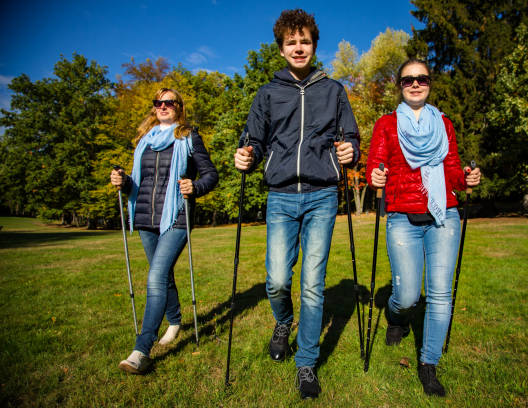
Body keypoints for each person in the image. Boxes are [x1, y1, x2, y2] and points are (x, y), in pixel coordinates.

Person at [234, 9, 360, 400]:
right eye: (292, 42)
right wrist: (247, 153)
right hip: (282, 195)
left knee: (311, 284)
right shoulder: (268, 92)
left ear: (314, 45)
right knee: (276, 280)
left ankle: (306, 363)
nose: (299, 47)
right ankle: (282, 323)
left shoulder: (333, 90)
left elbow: (352, 136)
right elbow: (252, 138)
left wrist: (349, 149)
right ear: (282, 48)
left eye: (305, 41)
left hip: (322, 195)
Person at [366, 59, 481, 396]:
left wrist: (467, 179)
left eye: (422, 79)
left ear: (430, 83)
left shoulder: (444, 124)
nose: (415, 84)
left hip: (444, 214)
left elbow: (453, 170)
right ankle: (397, 318)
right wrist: (376, 175)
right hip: (403, 215)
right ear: (399, 85)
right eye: (408, 80)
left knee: (440, 294)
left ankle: (429, 363)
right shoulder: (386, 124)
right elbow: (376, 163)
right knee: (406, 295)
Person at [111, 88, 218, 374]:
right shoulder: (144, 141)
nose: (163, 106)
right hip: (146, 217)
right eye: (159, 102)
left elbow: (211, 174)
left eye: (170, 102)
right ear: (154, 107)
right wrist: (123, 182)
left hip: (178, 216)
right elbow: (138, 183)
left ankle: (141, 350)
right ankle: (174, 321)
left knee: (156, 275)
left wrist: (195, 186)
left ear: (179, 107)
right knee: (163, 274)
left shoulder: (188, 137)